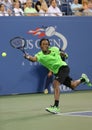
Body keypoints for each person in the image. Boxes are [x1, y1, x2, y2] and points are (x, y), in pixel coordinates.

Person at [24, 38, 91, 114]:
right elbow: (34, 59)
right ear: (40, 46)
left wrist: (64, 54)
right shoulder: (40, 55)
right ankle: (83, 79)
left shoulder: (55, 49)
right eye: (43, 44)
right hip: (57, 72)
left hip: (63, 68)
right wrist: (28, 57)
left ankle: (56, 107)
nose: (45, 45)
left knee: (55, 83)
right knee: (73, 85)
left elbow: (65, 55)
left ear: (49, 45)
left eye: (47, 44)